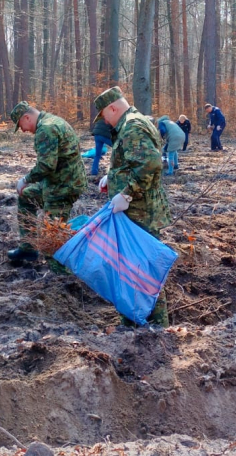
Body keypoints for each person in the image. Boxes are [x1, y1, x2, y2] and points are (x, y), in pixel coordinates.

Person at [95, 87, 170, 325]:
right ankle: (135, 320)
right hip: (138, 209)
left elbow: (149, 164)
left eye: (104, 116)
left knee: (142, 269)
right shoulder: (133, 123)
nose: (105, 121)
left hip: (140, 211)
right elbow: (134, 162)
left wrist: (126, 194)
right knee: (134, 268)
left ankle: (154, 325)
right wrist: (113, 176)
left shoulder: (133, 126)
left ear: (113, 108)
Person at [8, 101, 87, 264]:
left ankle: (60, 275)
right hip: (57, 182)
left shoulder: (46, 128)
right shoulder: (51, 121)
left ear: (27, 117)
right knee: (26, 197)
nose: (23, 130)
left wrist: (26, 179)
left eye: (20, 125)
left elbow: (46, 165)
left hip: (63, 188)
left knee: (52, 237)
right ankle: (28, 248)